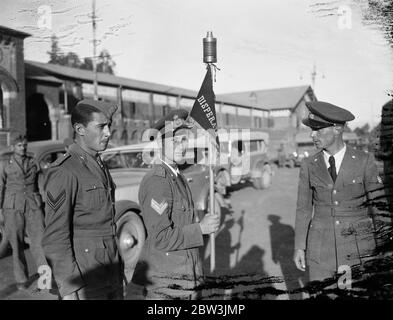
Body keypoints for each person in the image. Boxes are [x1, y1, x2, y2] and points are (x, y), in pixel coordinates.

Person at [130, 109, 220, 299]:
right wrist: (201, 229)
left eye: (185, 140)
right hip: (166, 284)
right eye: (175, 141)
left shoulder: (177, 176)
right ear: (161, 144)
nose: (182, 146)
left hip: (184, 275)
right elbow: (161, 238)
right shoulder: (157, 181)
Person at [293, 101, 384, 283]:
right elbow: (303, 209)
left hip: (358, 249)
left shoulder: (364, 161)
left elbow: (378, 207)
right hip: (320, 251)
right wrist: (299, 247)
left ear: (337, 129)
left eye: (318, 129)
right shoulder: (309, 164)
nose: (312, 134)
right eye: (312, 129)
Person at [41, 99, 123, 300]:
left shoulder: (99, 165)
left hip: (110, 271)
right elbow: (54, 237)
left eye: (109, 126)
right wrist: (69, 290)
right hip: (86, 278)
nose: (108, 133)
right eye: (101, 127)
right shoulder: (65, 171)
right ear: (80, 129)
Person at [0, 134, 47, 290]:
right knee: (16, 243)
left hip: (33, 206)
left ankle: (45, 280)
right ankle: (21, 279)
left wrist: (44, 202)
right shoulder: (5, 164)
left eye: (25, 145)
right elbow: (0, 188)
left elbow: (41, 184)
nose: (23, 148)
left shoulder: (33, 162)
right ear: (13, 147)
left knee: (40, 243)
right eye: (20, 145)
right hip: (12, 207)